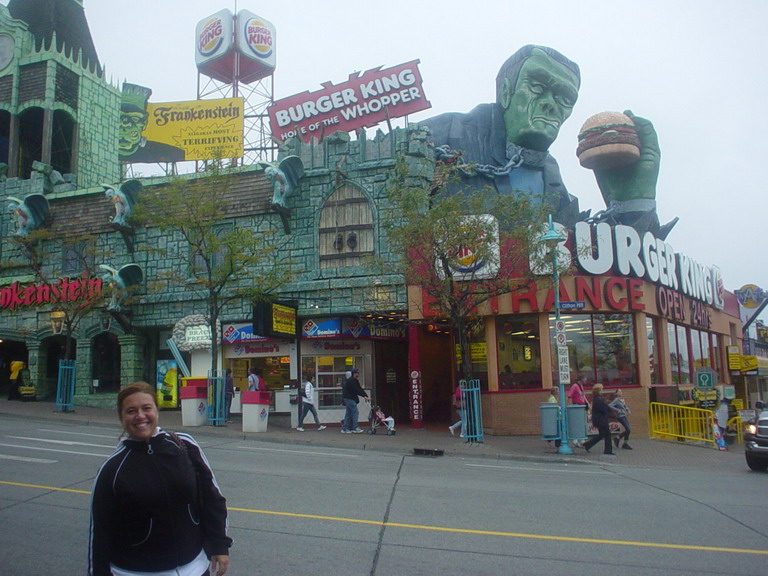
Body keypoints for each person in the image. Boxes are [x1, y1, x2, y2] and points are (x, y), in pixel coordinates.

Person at [420, 44, 673, 239]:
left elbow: (589, 266)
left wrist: (632, 204)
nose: (550, 105)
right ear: (506, 92)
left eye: (564, 98)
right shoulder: (441, 134)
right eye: (538, 87)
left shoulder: (550, 176)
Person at [88, 382, 231, 576]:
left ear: (157, 410)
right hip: (137, 571)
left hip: (195, 567)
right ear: (122, 417)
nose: (140, 416)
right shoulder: (113, 469)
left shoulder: (184, 446)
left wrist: (219, 545)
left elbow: (212, 499)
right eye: (131, 411)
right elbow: (100, 532)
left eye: (146, 408)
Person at [583, 383, 615, 455]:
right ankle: (607, 450)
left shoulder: (597, 398)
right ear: (599, 390)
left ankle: (588, 444)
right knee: (607, 435)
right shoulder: (598, 399)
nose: (602, 390)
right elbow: (603, 409)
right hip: (601, 420)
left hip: (599, 419)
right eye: (602, 389)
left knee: (603, 434)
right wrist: (609, 411)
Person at [341, 368, 369, 433]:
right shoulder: (353, 381)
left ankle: (345, 428)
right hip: (350, 398)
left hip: (347, 398)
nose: (358, 374)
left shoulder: (351, 380)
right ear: (354, 374)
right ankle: (355, 427)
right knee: (355, 412)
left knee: (349, 413)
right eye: (357, 373)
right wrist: (365, 396)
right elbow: (357, 389)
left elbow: (358, 389)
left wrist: (365, 396)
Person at [567, 376, 590, 447]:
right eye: (585, 378)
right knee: (577, 423)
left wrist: (587, 402)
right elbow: (569, 396)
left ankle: (581, 439)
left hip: (582, 407)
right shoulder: (575, 386)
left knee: (582, 423)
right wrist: (570, 406)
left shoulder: (581, 386)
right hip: (577, 407)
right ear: (581, 379)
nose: (586, 380)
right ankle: (576, 439)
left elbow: (583, 395)